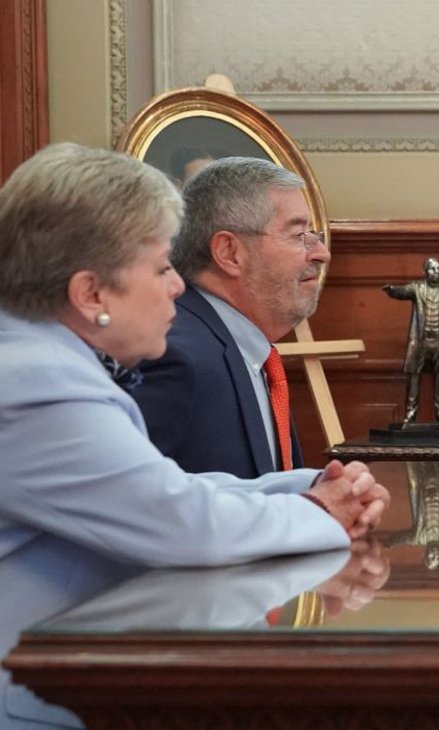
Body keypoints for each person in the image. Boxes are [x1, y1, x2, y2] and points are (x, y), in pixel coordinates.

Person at [0, 143, 388, 572]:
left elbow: (166, 488)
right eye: (162, 268)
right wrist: (321, 509)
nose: (178, 287)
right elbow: (180, 522)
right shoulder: (40, 385)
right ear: (91, 294)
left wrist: (310, 485)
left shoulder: (39, 366)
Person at [130, 157, 330, 477]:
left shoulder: (244, 347)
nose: (321, 253)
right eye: (298, 235)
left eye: (313, 234)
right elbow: (137, 502)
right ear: (229, 252)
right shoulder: (176, 358)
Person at [383, 257, 439, 424]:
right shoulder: (417, 288)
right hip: (421, 341)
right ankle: (410, 412)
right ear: (425, 271)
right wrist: (391, 290)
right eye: (433, 269)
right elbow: (402, 291)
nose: (437, 272)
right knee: (414, 375)